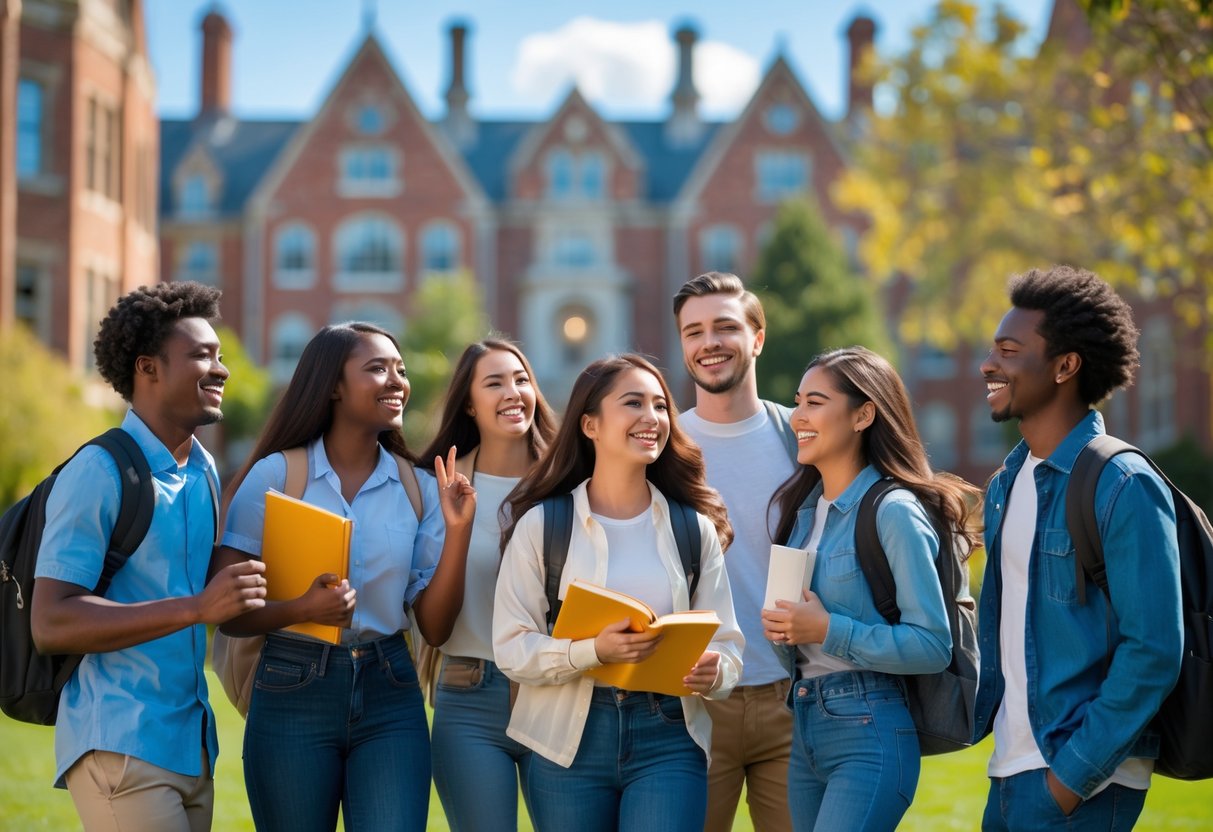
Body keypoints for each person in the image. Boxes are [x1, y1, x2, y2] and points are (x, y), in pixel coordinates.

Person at [212, 322, 476, 832]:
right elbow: (228, 614)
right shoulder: (274, 478)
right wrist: (300, 611)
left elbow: (436, 629)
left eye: (400, 370)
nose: (397, 380)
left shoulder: (420, 489)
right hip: (292, 688)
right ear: (333, 385)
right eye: (377, 368)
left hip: (391, 690)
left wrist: (458, 530)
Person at [31, 282, 268, 832]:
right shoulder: (98, 471)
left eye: (221, 354)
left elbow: (214, 597)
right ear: (148, 368)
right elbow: (52, 620)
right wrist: (195, 609)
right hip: (120, 740)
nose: (222, 369)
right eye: (202, 355)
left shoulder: (204, 470)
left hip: (190, 744)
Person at [493, 354, 745, 832]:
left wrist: (715, 673)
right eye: (633, 403)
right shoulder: (543, 526)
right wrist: (594, 650)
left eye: (660, 406)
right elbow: (510, 648)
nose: (652, 418)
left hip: (669, 735)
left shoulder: (692, 528)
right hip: (567, 739)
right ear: (590, 424)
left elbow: (728, 647)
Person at [974, 266, 1183, 832]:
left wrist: (1069, 781)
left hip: (1083, 782)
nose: (988, 365)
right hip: (1011, 772)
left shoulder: (1122, 482)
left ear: (1066, 366)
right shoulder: (1006, 483)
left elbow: (1156, 647)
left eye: (1009, 350)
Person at [760, 346, 979, 832]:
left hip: (869, 727)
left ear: (863, 415)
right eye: (798, 402)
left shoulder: (894, 510)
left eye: (815, 402)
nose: (798, 416)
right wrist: (786, 630)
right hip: (804, 727)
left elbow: (932, 645)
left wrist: (826, 628)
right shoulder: (803, 515)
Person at [673, 271, 798, 832]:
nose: (709, 343)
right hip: (693, 702)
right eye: (693, 332)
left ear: (758, 337)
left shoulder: (802, 436)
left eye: (725, 327)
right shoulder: (662, 447)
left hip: (793, 697)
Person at [420, 339, 557, 831]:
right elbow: (433, 628)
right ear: (469, 403)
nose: (513, 392)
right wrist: (458, 530)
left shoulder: (573, 482)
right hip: (470, 697)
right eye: (495, 382)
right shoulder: (436, 487)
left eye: (521, 379)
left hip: (559, 694)